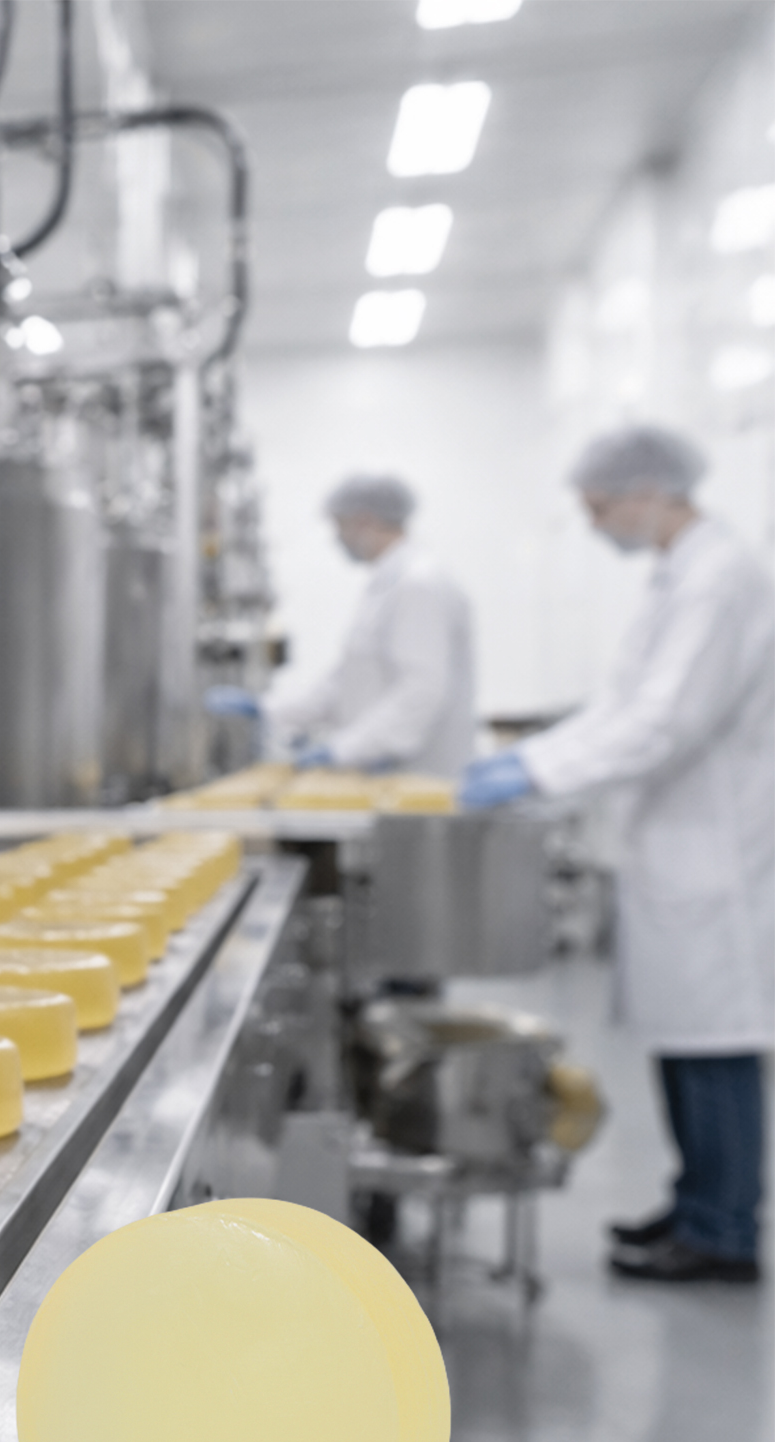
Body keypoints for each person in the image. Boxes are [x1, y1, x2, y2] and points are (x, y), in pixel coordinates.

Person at [463, 424, 773, 1282]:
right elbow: (620, 708)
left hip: (714, 851)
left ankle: (723, 1230)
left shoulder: (718, 579)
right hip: (673, 844)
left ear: (649, 492)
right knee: (683, 1042)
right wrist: (532, 763)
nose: (596, 522)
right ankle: (698, 1201)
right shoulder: (680, 575)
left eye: (600, 507)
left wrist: (535, 772)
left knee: (713, 1047)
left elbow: (665, 723)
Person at [206, 474, 475, 773]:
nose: (337, 538)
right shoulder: (386, 585)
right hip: (387, 774)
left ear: (364, 522)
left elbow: (421, 690)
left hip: (420, 775)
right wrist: (267, 708)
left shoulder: (419, 583)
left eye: (339, 526)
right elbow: (346, 681)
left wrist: (342, 750)